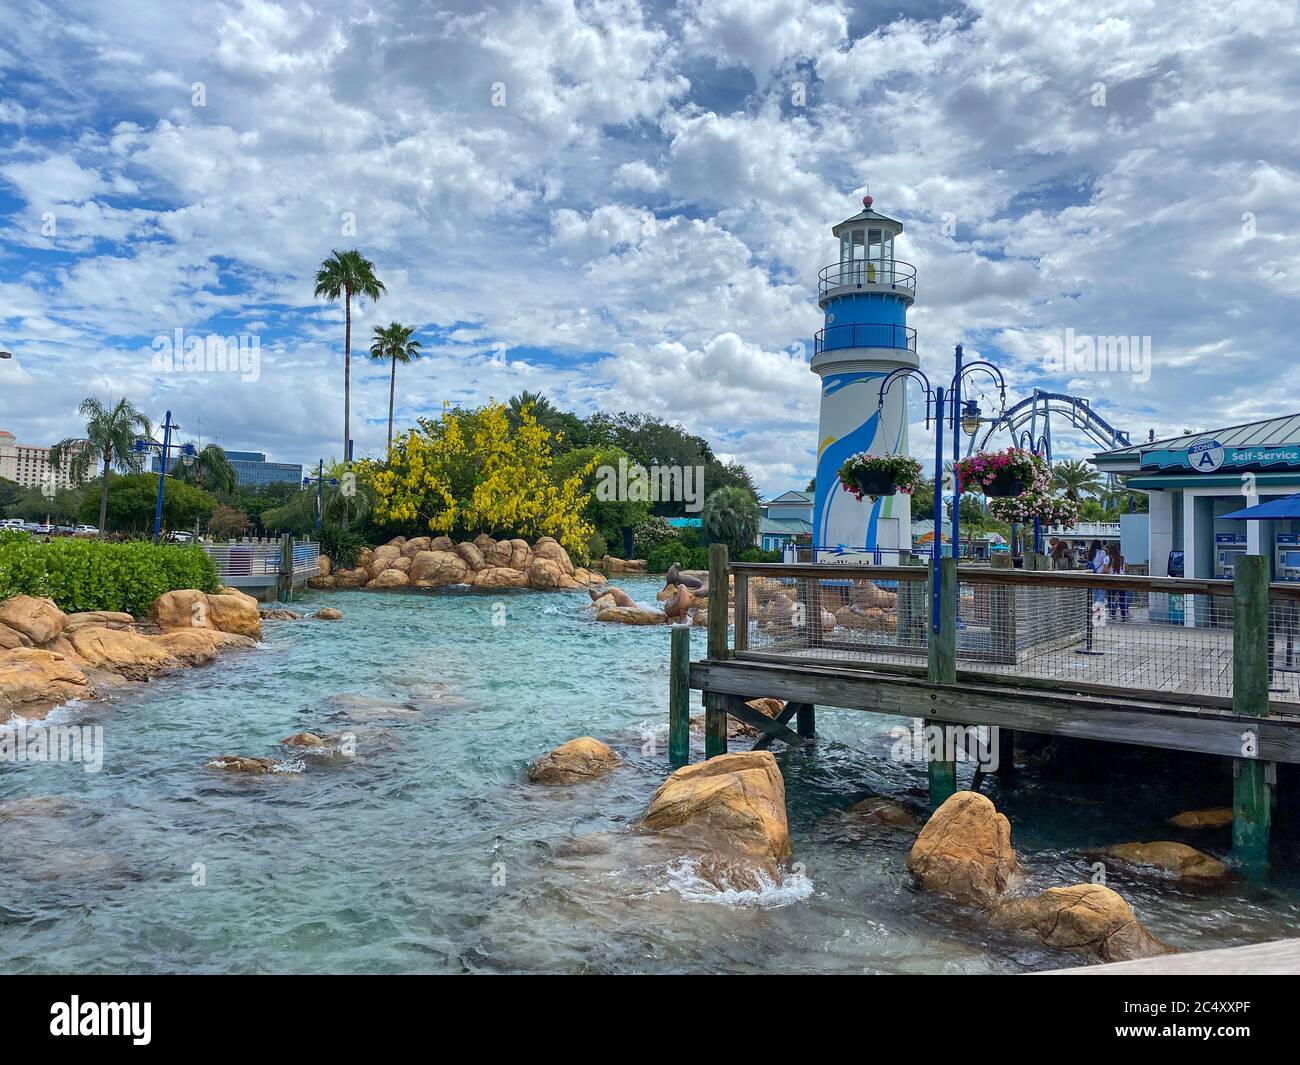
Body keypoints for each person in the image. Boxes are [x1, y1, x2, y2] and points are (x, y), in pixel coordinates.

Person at [1102, 542, 1130, 620]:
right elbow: (1127, 569)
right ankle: (1123, 615)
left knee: (1111, 597)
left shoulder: (1107, 559)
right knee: (1122, 598)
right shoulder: (1123, 558)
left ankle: (1112, 614)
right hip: (1122, 580)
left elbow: (1105, 570)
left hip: (1112, 581)